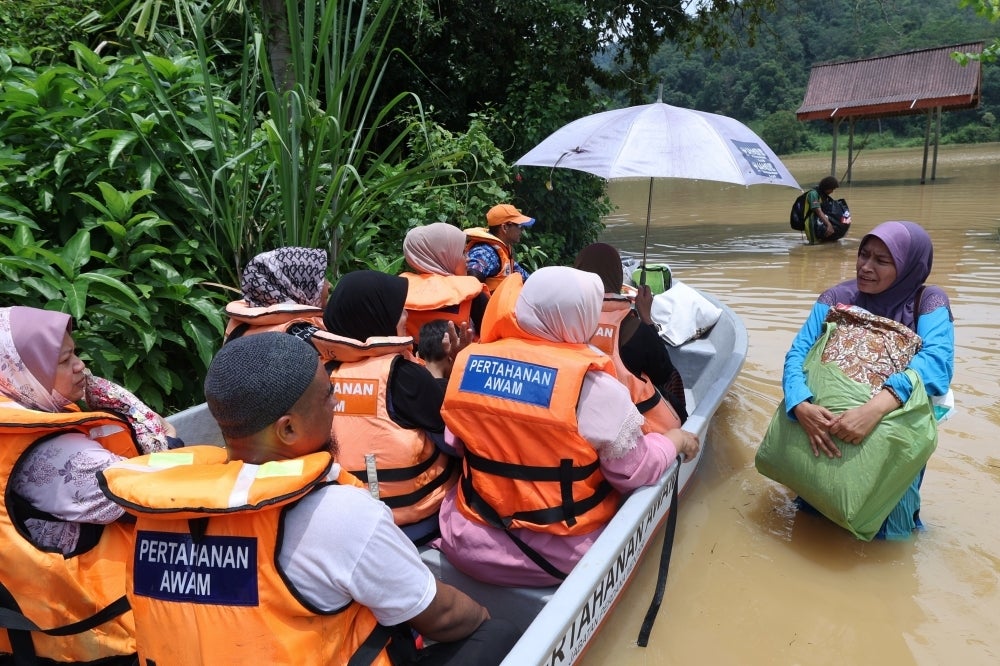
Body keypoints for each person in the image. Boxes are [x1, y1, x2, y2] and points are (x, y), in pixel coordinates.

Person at [98, 333, 519, 665]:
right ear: (287, 430)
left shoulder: (160, 511)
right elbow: (442, 616)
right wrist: (483, 619)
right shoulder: (339, 513)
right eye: (326, 397)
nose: (336, 404)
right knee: (497, 634)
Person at [435, 267, 700, 587]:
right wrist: (674, 440)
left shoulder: (469, 363)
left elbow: (456, 442)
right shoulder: (596, 387)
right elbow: (634, 473)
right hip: (555, 560)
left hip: (464, 541)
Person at [0, 306, 175, 664]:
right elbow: (158, 497)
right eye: (65, 360)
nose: (81, 365)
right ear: (22, 373)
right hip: (95, 636)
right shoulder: (56, 456)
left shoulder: (17, 422)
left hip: (29, 628)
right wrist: (161, 435)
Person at [780, 221, 954, 539]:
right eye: (864, 255)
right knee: (815, 519)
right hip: (822, 436)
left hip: (888, 433)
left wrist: (873, 410)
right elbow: (797, 355)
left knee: (890, 537)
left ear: (907, 266)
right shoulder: (837, 298)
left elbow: (935, 365)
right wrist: (800, 404)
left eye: (881, 260)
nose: (866, 267)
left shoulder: (927, 302)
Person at [322, 270, 459, 544]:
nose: (406, 316)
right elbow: (454, 433)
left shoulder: (322, 371)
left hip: (337, 516)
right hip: (407, 522)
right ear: (377, 317)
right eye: (399, 310)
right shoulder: (404, 376)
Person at [574, 242, 688, 423]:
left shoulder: (560, 320)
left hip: (574, 411)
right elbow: (663, 372)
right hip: (625, 419)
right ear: (618, 276)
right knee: (672, 377)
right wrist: (646, 318)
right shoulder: (634, 328)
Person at [402, 222, 488, 342]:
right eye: (462, 252)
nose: (468, 258)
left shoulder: (399, 292)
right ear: (445, 255)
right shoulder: (474, 297)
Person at [223, 246, 330, 342]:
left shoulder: (241, 325)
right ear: (295, 289)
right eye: (321, 279)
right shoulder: (301, 338)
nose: (329, 285)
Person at [465, 203, 534, 291]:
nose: (522, 230)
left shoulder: (502, 251)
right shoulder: (486, 252)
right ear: (505, 227)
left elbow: (526, 278)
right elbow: (471, 280)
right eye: (519, 226)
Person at [804, 176, 845, 244]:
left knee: (825, 243)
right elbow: (818, 211)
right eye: (832, 189)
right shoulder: (813, 194)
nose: (832, 191)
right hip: (811, 223)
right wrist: (829, 225)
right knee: (814, 245)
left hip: (820, 221)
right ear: (827, 187)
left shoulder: (822, 194)